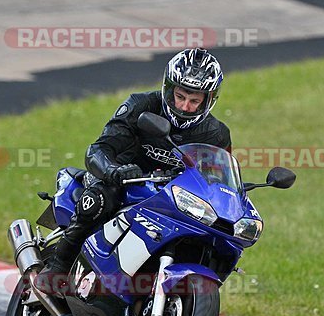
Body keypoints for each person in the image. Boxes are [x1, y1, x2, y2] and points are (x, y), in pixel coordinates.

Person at [36, 48, 232, 293]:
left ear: (209, 99)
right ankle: (58, 265)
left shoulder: (216, 134)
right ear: (168, 88)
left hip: (169, 196)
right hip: (122, 181)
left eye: (195, 101)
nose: (185, 106)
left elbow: (216, 181)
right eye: (180, 97)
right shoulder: (140, 105)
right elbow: (99, 149)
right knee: (100, 199)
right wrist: (113, 170)